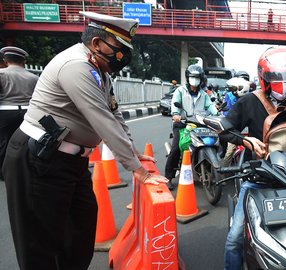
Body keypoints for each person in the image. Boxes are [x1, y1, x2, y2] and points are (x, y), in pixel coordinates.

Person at [1, 12, 168, 270]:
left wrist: (133, 151)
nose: (123, 55)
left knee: (80, 232)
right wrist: (138, 171)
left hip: (70, 163)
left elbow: (115, 113)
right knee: (39, 246)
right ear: (97, 43)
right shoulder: (76, 66)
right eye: (119, 48)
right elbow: (102, 119)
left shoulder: (100, 71)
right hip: (39, 159)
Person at [221, 47, 286, 270]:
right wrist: (247, 141)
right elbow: (224, 129)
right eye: (277, 79)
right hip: (256, 179)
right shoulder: (249, 102)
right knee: (234, 239)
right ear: (264, 79)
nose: (284, 85)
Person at [164, 64, 219, 190]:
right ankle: (168, 177)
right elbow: (175, 104)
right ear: (188, 78)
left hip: (199, 123)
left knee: (211, 142)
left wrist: (216, 112)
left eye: (197, 77)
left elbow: (209, 105)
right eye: (192, 77)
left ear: (201, 79)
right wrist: (176, 114)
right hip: (182, 123)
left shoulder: (203, 94)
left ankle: (208, 168)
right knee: (176, 149)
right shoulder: (180, 91)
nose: (195, 80)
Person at [0, 46, 39, 182]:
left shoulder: (1, 74)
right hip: (28, 112)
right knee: (25, 142)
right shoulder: (33, 77)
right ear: (23, 61)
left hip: (5, 112)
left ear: (5, 60)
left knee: (3, 142)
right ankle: (25, 170)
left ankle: (4, 173)